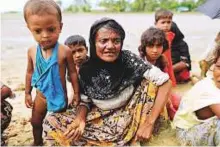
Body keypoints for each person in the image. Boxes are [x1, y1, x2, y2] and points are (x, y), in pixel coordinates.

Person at [43, 17, 172, 146]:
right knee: (52, 120)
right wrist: (80, 119)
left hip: (132, 112)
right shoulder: (85, 70)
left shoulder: (128, 59)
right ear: (94, 43)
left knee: (151, 85)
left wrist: (149, 123)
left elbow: (166, 82)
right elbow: (85, 101)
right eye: (103, 41)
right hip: (101, 115)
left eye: (116, 41)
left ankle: (140, 133)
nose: (110, 46)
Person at [23, 0, 80, 145]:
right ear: (29, 29)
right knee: (36, 122)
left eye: (51, 29)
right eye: (38, 31)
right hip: (40, 96)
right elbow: (29, 72)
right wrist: (27, 93)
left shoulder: (64, 51)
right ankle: (37, 142)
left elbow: (73, 73)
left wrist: (77, 93)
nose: (45, 35)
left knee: (59, 124)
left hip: (59, 95)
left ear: (60, 27)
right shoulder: (31, 51)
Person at [173, 45, 220, 146]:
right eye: (219, 67)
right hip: (186, 134)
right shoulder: (208, 90)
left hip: (202, 128)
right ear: (214, 65)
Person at [138, 27, 180, 120]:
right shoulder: (139, 63)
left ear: (163, 47)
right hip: (145, 95)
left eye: (158, 46)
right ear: (144, 47)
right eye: (151, 46)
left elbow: (166, 80)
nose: (155, 50)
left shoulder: (162, 60)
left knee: (178, 101)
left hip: (161, 90)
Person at [64, 35, 89, 105]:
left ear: (86, 50)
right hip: (80, 94)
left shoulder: (93, 64)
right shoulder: (71, 68)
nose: (77, 55)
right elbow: (72, 86)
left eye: (80, 50)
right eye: (73, 53)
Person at [154, 9, 176, 86]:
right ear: (156, 23)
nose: (166, 25)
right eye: (163, 22)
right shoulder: (153, 36)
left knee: (169, 79)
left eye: (169, 22)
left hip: (168, 62)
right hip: (157, 62)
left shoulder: (170, 35)